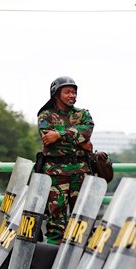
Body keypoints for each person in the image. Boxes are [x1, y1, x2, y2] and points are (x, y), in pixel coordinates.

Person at [36, 76, 94, 244]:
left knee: (82, 217)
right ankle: (52, 260)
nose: (72, 96)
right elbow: (47, 138)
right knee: (56, 220)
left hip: (80, 172)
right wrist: (79, 140)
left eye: (74, 92)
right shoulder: (45, 115)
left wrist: (59, 134)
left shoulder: (82, 114)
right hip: (56, 173)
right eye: (67, 92)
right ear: (56, 94)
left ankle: (79, 258)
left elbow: (87, 131)